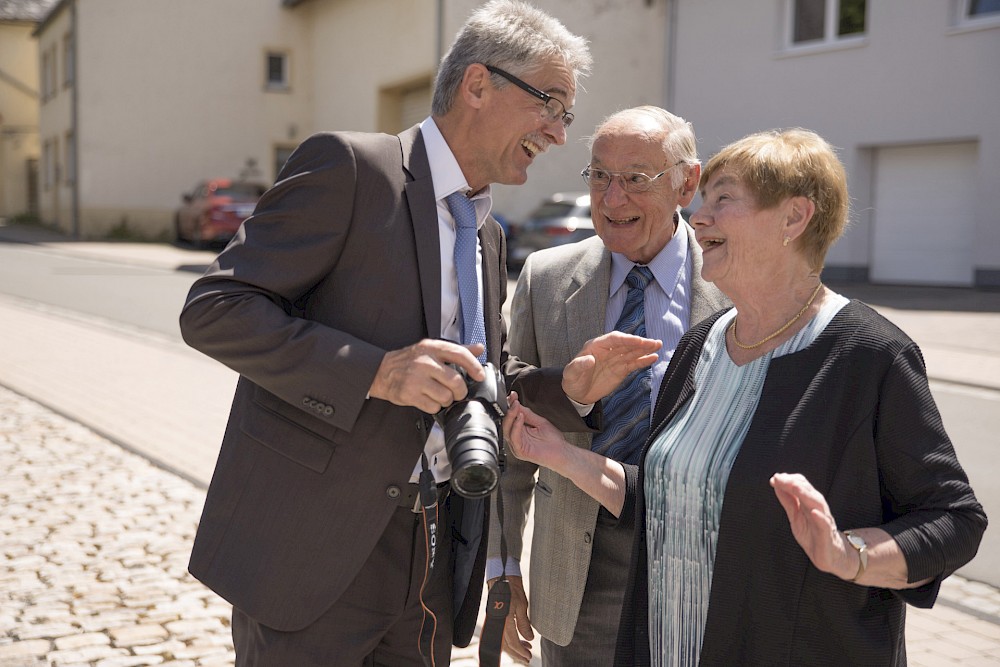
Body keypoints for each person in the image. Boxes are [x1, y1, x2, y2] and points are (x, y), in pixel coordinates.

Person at [178, 2, 661, 664]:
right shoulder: (350, 169)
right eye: (550, 104)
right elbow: (217, 307)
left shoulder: (487, 234)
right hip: (314, 552)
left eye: (566, 114)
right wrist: (376, 371)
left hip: (433, 550)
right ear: (478, 84)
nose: (557, 132)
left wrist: (565, 387)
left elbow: (469, 375)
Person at [502, 128, 988, 666]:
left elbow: (953, 520)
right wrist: (560, 455)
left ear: (794, 218)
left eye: (723, 199)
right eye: (703, 200)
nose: (699, 217)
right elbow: (665, 499)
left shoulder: (870, 354)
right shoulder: (700, 344)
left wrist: (850, 555)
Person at [486, 106, 728, 666]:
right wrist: (503, 570)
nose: (612, 198)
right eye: (599, 176)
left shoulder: (734, 285)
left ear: (685, 183)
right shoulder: (546, 280)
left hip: (701, 572)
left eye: (636, 180)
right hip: (578, 575)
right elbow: (512, 438)